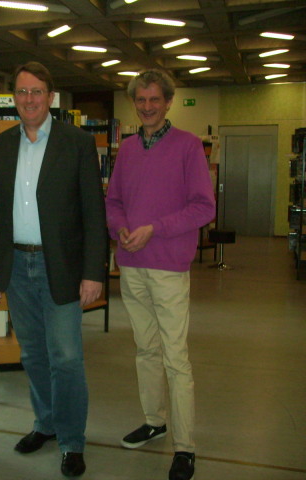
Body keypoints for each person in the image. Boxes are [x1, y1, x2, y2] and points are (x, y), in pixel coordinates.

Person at [0, 61, 107, 477]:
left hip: (63, 266)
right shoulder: (1, 145)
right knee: (33, 354)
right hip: (16, 265)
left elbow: (93, 212)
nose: (29, 99)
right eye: (21, 92)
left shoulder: (77, 143)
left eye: (36, 92)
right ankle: (46, 423)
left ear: (51, 98)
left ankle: (71, 440)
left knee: (66, 357)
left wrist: (94, 272)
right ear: (13, 98)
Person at [105, 69, 215, 480]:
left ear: (168, 101)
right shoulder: (128, 148)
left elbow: (205, 207)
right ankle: (155, 420)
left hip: (168, 267)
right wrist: (120, 229)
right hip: (132, 267)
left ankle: (185, 447)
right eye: (140, 100)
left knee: (176, 358)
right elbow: (113, 201)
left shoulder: (188, 147)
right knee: (145, 350)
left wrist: (156, 229)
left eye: (155, 99)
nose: (147, 106)